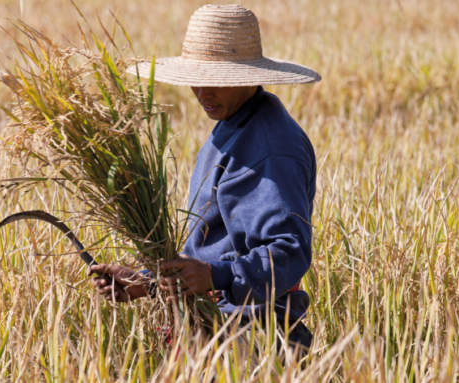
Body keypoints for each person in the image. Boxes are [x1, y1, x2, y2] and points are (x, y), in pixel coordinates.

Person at [88, 4, 321, 351]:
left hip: (256, 338)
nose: (201, 91)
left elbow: (290, 251)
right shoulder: (232, 125)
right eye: (195, 78)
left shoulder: (272, 147)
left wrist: (216, 277)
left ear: (247, 76)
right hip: (214, 328)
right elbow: (212, 250)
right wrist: (148, 283)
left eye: (215, 79)